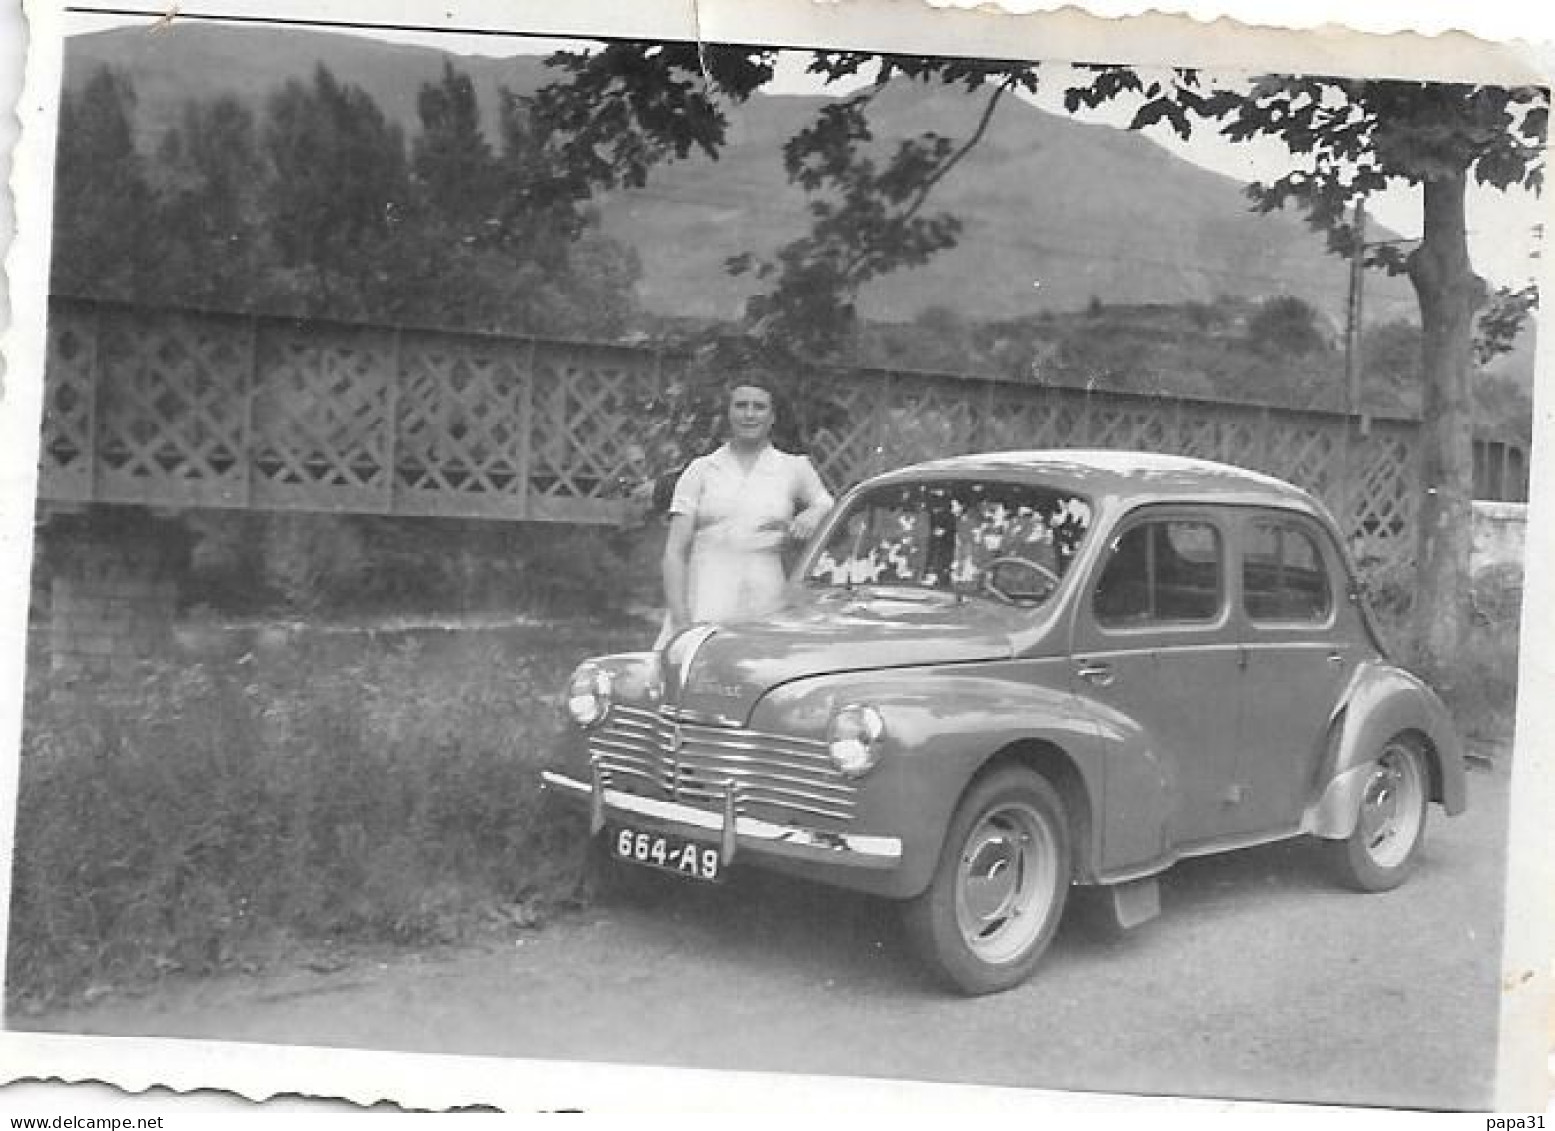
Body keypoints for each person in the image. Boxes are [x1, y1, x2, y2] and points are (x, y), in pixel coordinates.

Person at [657, 383, 834, 646]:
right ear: (728, 413)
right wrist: (681, 620)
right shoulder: (702, 469)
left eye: (759, 407)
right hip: (706, 597)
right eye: (741, 405)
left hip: (765, 600)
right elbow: (674, 551)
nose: (749, 414)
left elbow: (827, 503)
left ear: (772, 417)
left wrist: (813, 514)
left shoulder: (793, 468)